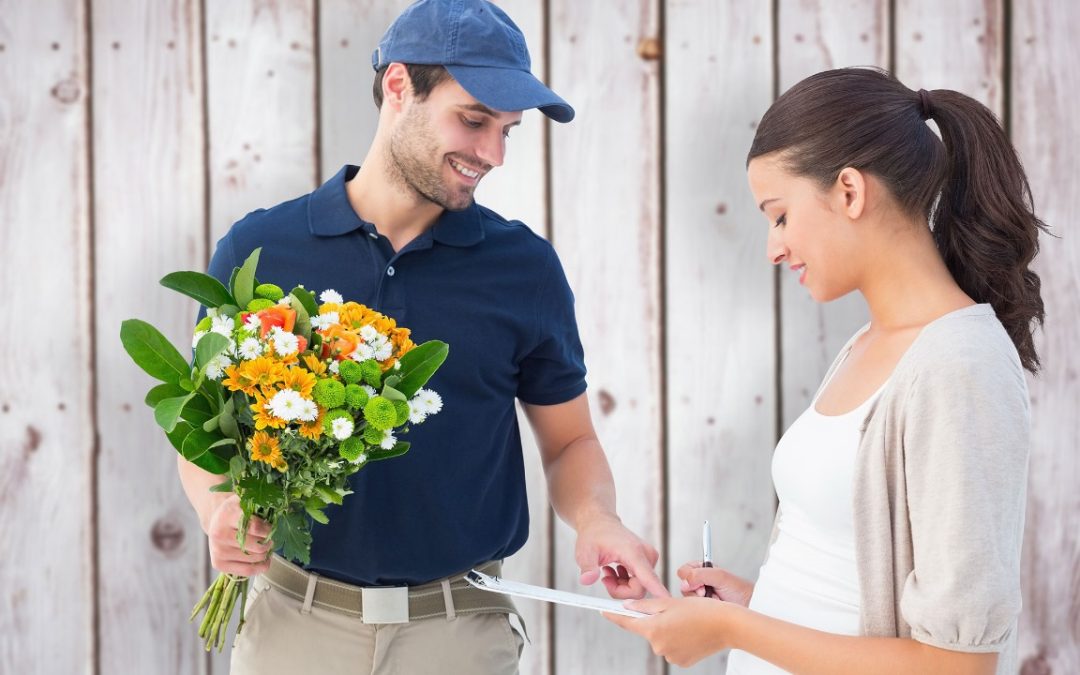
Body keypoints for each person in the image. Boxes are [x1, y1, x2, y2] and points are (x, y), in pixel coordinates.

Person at [176, 1, 667, 673]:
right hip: (294, 625)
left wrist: (597, 519)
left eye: (506, 131)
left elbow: (570, 439)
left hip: (460, 632)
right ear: (399, 86)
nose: (492, 154)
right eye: (473, 121)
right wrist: (218, 506)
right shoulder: (261, 248)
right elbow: (201, 428)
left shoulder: (523, 269)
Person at [606, 67, 1044, 675]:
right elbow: (851, 599)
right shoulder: (871, 343)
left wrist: (736, 628)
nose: (773, 248)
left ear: (848, 191)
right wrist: (758, 606)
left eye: (780, 215)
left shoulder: (958, 367)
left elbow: (955, 665)